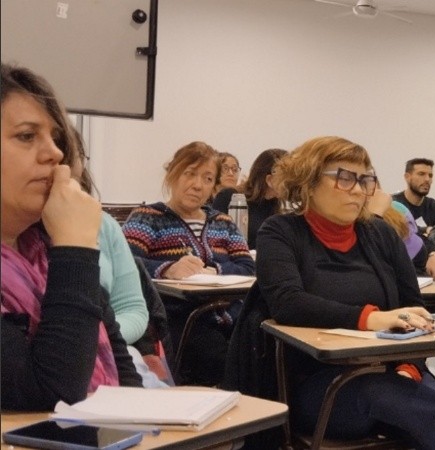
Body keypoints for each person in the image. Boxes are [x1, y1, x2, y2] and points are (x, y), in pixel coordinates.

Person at [256, 136, 435, 449]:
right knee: (393, 398)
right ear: (308, 183)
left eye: (365, 179)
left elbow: (413, 306)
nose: (358, 188)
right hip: (317, 384)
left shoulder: (379, 233)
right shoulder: (280, 232)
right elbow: (288, 303)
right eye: (344, 177)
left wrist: (409, 366)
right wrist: (370, 318)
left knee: (423, 408)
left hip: (394, 372)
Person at [1, 63, 141, 411]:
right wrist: (75, 247)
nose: (56, 153)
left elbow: (123, 369)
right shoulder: (66, 247)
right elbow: (52, 395)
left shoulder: (46, 249)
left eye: (55, 138)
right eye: (26, 136)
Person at [122, 141, 254, 385]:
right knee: (224, 360)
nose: (197, 185)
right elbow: (126, 264)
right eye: (190, 174)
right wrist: (167, 269)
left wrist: (216, 270)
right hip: (178, 317)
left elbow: (247, 266)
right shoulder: (148, 218)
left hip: (232, 316)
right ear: (172, 174)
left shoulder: (223, 222)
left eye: (207, 178)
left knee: (262, 349)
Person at [70, 129, 170, 388]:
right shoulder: (149, 216)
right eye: (25, 137)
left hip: (115, 353)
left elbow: (134, 311)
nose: (52, 156)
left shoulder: (102, 225)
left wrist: (99, 336)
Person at [212, 148, 288, 249]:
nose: (290, 181)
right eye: (285, 176)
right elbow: (216, 241)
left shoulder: (275, 206)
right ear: (268, 179)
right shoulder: (230, 197)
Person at [392, 158, 435, 234]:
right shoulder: (393, 204)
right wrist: (425, 230)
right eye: (421, 174)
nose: (427, 179)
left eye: (430, 175)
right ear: (407, 177)